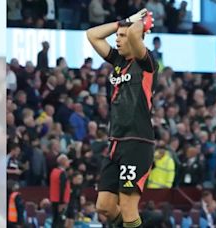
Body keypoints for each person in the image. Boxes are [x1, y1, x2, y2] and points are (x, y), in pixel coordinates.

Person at [86, 8, 157, 228]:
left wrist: (139, 23)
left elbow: (136, 35)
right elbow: (92, 34)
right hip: (116, 141)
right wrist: (122, 23)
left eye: (122, 36)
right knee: (104, 206)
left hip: (137, 142)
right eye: (117, 36)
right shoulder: (117, 61)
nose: (117, 39)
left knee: (128, 206)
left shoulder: (146, 63)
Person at [49, 154, 72, 228]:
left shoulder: (54, 171)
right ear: (64, 162)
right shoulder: (62, 173)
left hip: (54, 199)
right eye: (67, 160)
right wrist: (62, 203)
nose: (69, 162)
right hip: (61, 201)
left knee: (55, 220)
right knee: (60, 221)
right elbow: (62, 188)